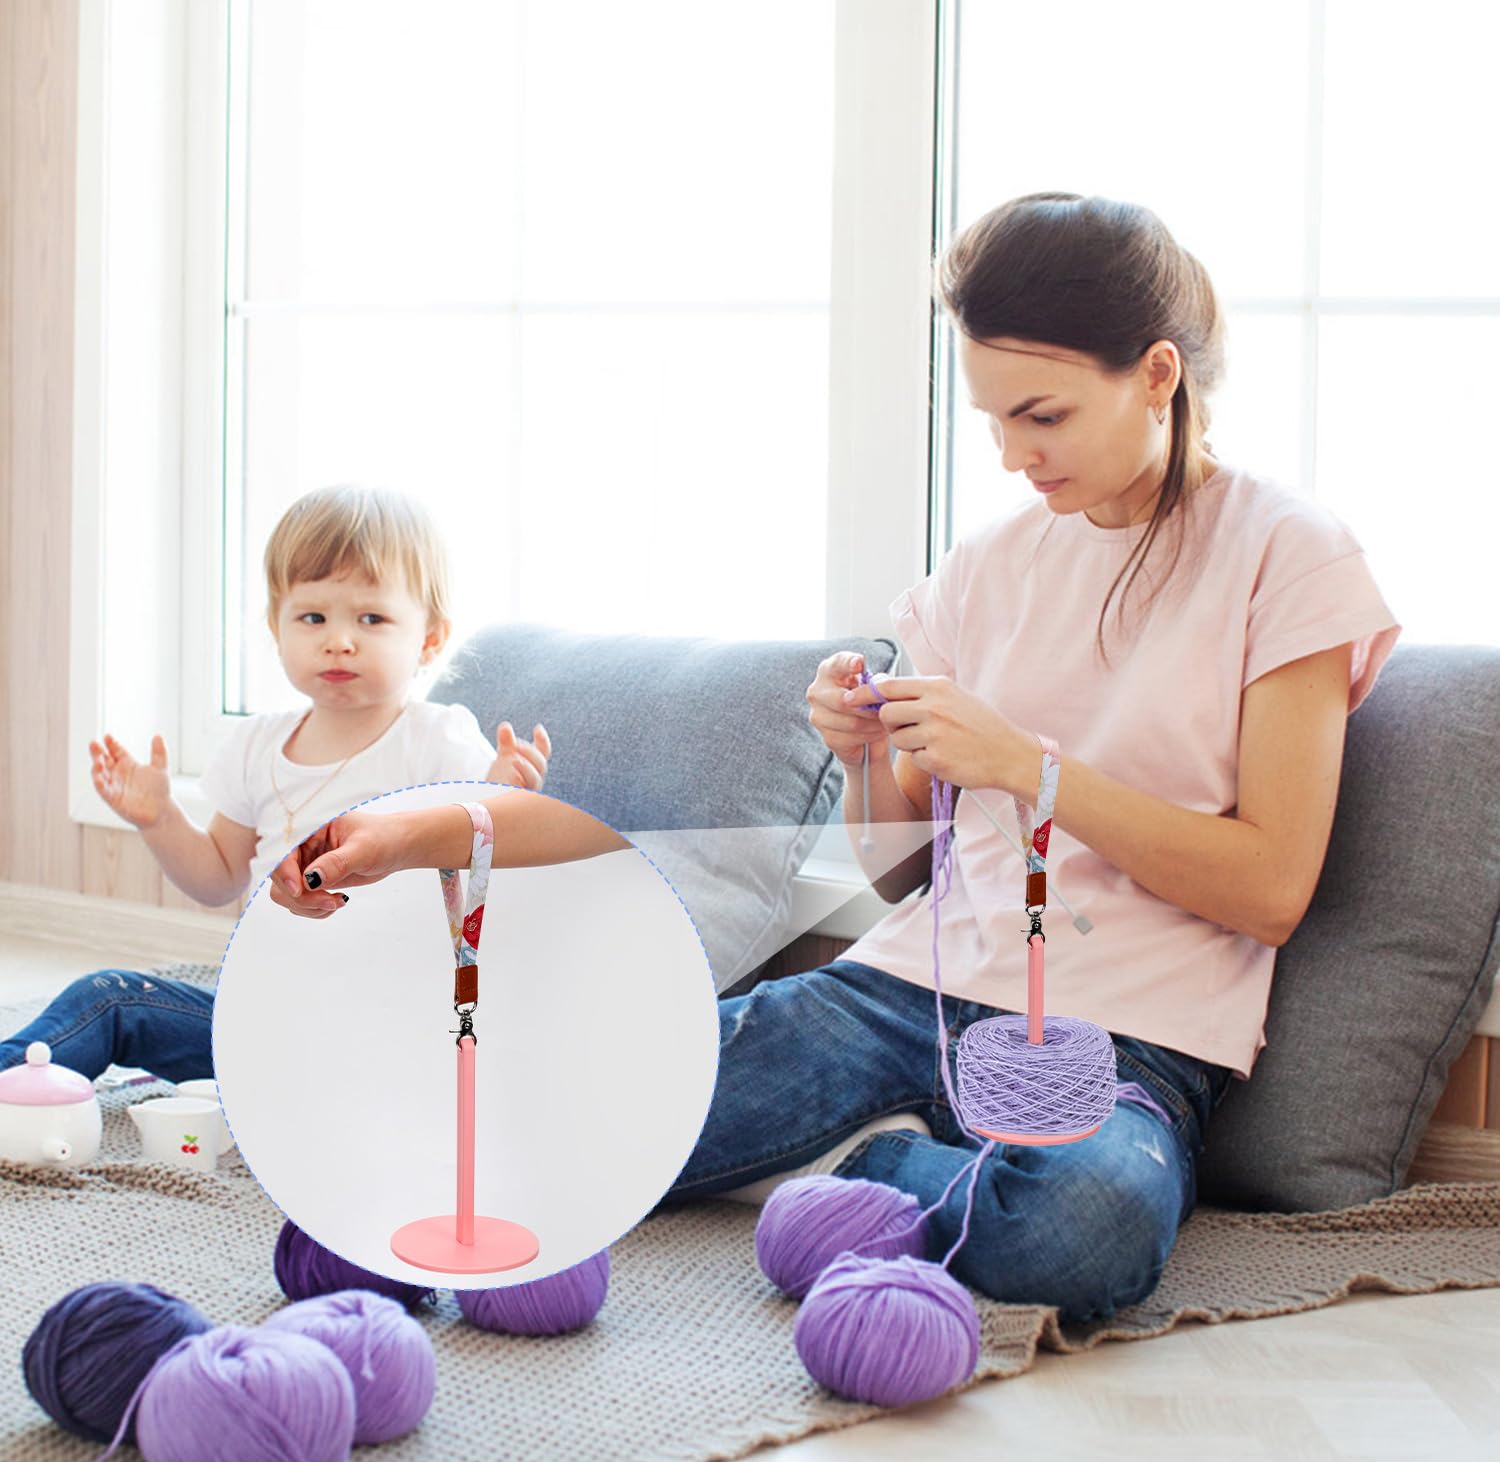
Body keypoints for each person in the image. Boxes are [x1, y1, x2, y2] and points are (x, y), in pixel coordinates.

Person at [659, 191, 1402, 1324]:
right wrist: (863, 755)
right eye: (993, 420)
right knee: (602, 1094)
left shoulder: (1286, 555)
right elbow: (904, 873)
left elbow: (1270, 890)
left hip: (1127, 1033)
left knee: (1081, 1227)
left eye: (1043, 416)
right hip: (908, 989)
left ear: (1158, 374)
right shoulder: (985, 566)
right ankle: (928, 1156)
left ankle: (881, 1166)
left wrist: (1034, 771)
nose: (1012, 456)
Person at [0, 485, 552, 1085]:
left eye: (372, 618)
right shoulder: (255, 747)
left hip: (391, 1025)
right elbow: (215, 880)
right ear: (276, 626)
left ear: (430, 638)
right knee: (107, 998)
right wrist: (158, 820)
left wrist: (496, 798)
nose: (339, 639)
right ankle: (16, 1087)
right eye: (312, 617)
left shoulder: (438, 741)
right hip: (262, 1021)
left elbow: (482, 883)